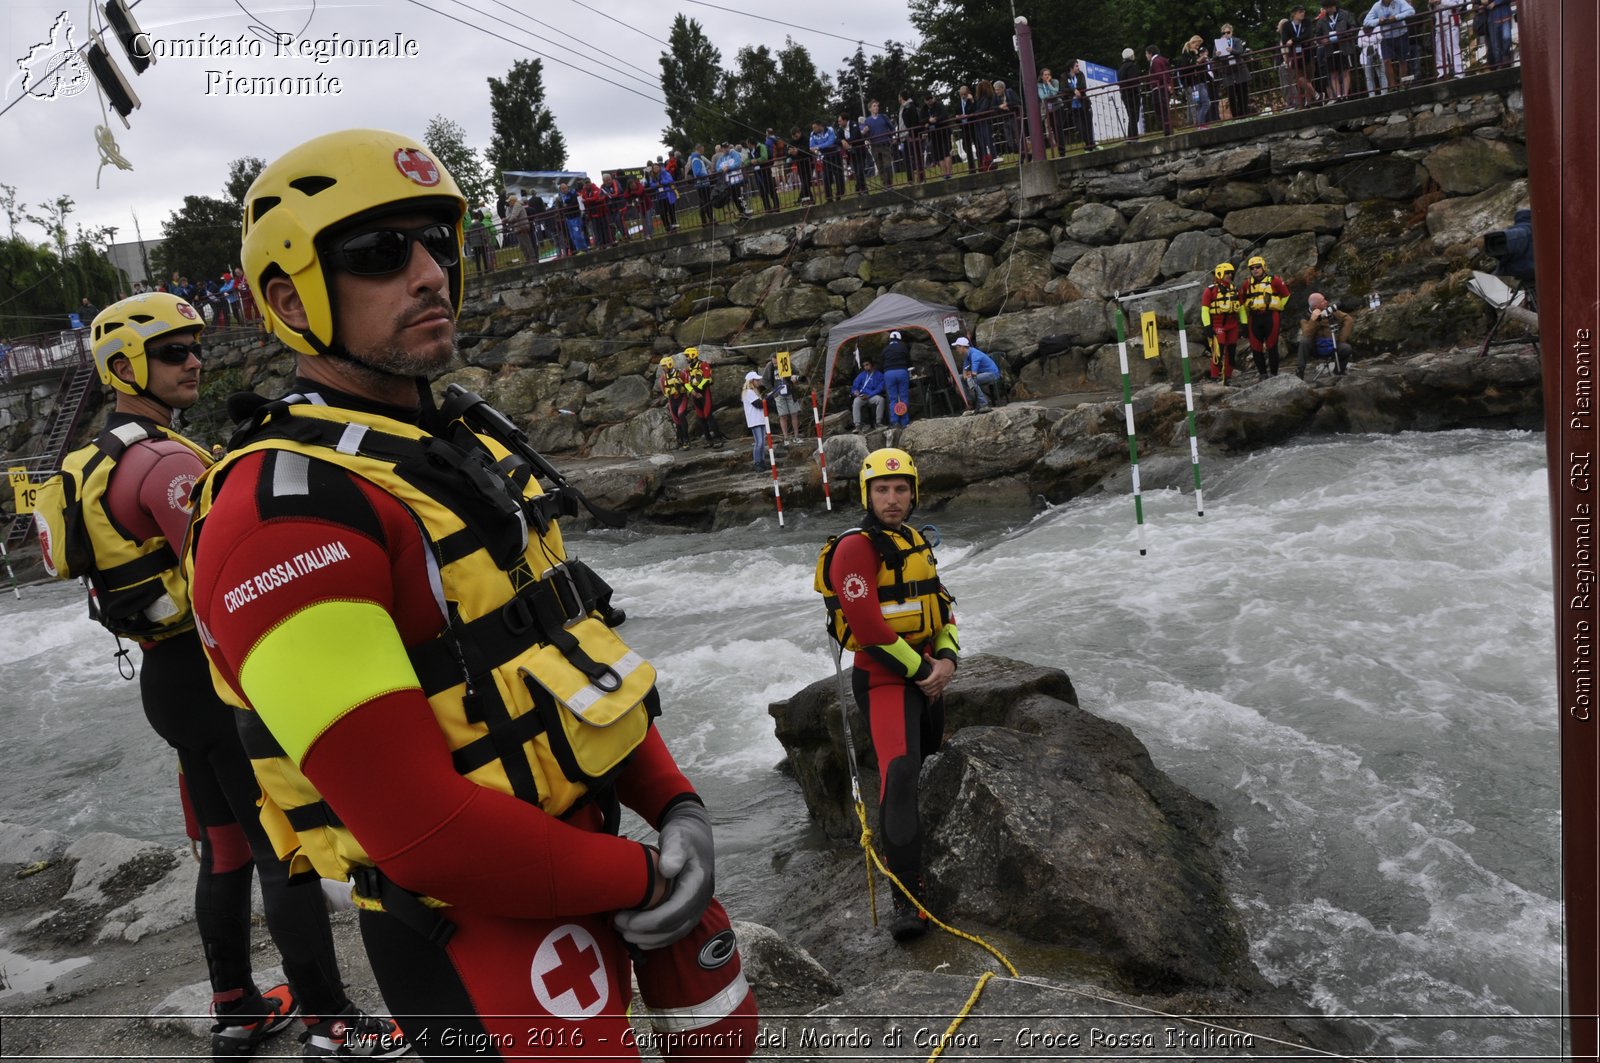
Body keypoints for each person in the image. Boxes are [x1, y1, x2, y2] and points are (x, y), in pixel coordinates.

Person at [187, 129, 757, 1059]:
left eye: (437, 244)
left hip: (595, 850)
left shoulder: (458, 448)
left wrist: (678, 804)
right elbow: (422, 832)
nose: (428, 273)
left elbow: (560, 650)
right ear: (288, 298)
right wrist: (644, 872)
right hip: (471, 924)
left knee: (726, 1034)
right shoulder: (281, 523)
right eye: (379, 253)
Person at [39, 292, 402, 1059]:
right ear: (125, 366)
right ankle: (330, 1020)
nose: (193, 361)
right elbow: (225, 577)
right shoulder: (168, 461)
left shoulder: (96, 458)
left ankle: (235, 1005)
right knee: (286, 848)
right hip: (215, 679)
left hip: (165, 681)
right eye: (173, 351)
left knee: (224, 847)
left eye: (195, 346)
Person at [815, 447, 958, 942]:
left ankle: (919, 852)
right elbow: (868, 626)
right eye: (882, 490)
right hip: (885, 679)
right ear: (867, 494)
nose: (892, 499)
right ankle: (908, 899)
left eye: (900, 490)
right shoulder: (854, 549)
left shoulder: (915, 540)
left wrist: (948, 661)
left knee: (925, 764)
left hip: (927, 675)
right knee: (898, 776)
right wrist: (925, 671)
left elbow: (942, 607)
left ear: (913, 494)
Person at [1240, 254, 1291, 379]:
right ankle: (1263, 374)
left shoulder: (1274, 281)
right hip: (1254, 318)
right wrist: (1244, 323)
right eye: (1252, 268)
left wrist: (1280, 308)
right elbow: (1241, 304)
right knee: (1256, 348)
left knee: (1272, 346)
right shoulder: (1246, 284)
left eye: (1257, 267)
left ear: (1263, 267)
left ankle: (1274, 373)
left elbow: (1286, 295)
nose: (1255, 270)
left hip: (1271, 316)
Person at [1200, 262, 1244, 384]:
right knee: (1217, 352)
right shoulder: (1210, 290)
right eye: (1227, 273)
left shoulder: (1235, 290)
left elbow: (1241, 308)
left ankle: (1227, 379)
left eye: (1231, 273)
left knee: (1231, 352)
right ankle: (1215, 378)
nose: (1229, 275)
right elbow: (1204, 310)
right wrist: (1207, 326)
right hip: (1218, 325)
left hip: (1233, 325)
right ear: (1220, 274)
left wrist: (1244, 324)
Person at [1296, 292, 1354, 377]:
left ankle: (1338, 372)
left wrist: (1342, 339)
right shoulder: (1305, 317)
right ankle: (1300, 372)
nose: (1326, 302)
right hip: (1316, 348)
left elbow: (1348, 319)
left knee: (1346, 348)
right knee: (1304, 342)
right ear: (1316, 307)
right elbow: (1307, 334)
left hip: (1333, 345)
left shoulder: (1329, 310)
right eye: (1323, 301)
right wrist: (1313, 320)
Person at [1364, 0, 1416, 92]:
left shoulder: (1399, 2)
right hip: (1386, 37)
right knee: (1386, 60)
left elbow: (1411, 11)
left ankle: (1402, 84)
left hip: (1401, 34)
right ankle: (1392, 85)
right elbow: (1366, 22)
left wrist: (1396, 17)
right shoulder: (1377, 6)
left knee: (1403, 59)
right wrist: (1378, 21)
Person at [1315, 0, 1361, 101]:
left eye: (1330, 7)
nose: (1328, 9)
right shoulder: (1321, 20)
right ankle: (1338, 95)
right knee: (1333, 73)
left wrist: (1342, 34)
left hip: (1344, 46)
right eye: (1326, 7)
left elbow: (1353, 27)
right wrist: (1322, 40)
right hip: (1330, 49)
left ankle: (1345, 94)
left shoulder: (1345, 14)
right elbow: (1317, 37)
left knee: (1345, 70)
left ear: (1335, 5)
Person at [684, 345, 726, 448]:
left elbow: (707, 378)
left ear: (693, 355)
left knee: (708, 415)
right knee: (701, 417)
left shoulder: (703, 365)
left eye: (687, 356)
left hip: (704, 393)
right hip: (694, 394)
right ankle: (708, 440)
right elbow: (686, 383)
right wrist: (692, 391)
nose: (686, 358)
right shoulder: (688, 369)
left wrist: (697, 390)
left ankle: (718, 438)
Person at [1216, 24, 1252, 119]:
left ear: (1231, 32)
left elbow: (1240, 51)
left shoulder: (1236, 40)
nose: (1226, 34)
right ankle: (1236, 116)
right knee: (1231, 96)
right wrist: (1217, 55)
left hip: (1239, 69)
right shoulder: (1218, 43)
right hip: (1228, 71)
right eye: (1224, 33)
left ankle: (1244, 114)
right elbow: (1214, 58)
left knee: (1242, 93)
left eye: (1228, 32)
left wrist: (1231, 50)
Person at [954, 337, 999, 413]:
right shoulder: (968, 354)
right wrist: (965, 375)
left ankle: (984, 405)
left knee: (971, 380)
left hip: (992, 374)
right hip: (982, 374)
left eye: (957, 347)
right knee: (959, 377)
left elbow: (974, 373)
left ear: (962, 347)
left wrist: (968, 375)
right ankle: (970, 402)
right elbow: (965, 369)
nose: (956, 350)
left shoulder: (974, 354)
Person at [880, 329, 912, 428]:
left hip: (888, 373)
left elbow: (881, 363)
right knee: (903, 397)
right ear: (899, 339)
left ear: (890, 339)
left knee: (893, 398)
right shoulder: (903, 347)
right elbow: (909, 361)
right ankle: (905, 422)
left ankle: (895, 422)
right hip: (901, 372)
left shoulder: (885, 349)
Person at [659, 354, 692, 450]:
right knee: (676, 420)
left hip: (681, 398)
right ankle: (680, 439)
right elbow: (664, 390)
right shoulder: (663, 378)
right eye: (662, 366)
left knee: (681, 414)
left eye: (664, 366)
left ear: (669, 364)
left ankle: (686, 440)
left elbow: (687, 384)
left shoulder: (680, 374)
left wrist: (683, 390)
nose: (663, 368)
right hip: (672, 400)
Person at [769, 360, 805, 444]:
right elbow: (765, 380)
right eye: (773, 363)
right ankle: (786, 438)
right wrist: (773, 391)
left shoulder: (787, 363)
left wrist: (794, 379)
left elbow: (797, 374)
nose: (774, 364)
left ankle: (796, 436)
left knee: (794, 414)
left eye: (776, 362)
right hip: (779, 394)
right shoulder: (769, 367)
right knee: (782, 416)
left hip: (790, 393)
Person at [864, 100, 896, 190]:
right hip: (874, 146)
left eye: (877, 106)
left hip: (885, 144)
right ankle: (885, 184)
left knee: (887, 165)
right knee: (880, 166)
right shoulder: (867, 121)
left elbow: (892, 127)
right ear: (870, 109)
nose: (876, 107)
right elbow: (866, 135)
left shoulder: (883, 117)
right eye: (874, 106)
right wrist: (865, 132)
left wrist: (892, 137)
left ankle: (890, 183)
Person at [742, 370, 769, 472]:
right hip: (755, 420)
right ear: (751, 381)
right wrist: (767, 399)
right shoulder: (748, 392)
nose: (759, 382)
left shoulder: (754, 392)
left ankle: (762, 462)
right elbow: (758, 404)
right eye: (757, 380)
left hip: (760, 419)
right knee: (759, 442)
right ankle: (757, 462)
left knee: (762, 442)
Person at [850, 357, 886, 431]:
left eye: (867, 365)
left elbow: (879, 389)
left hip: (872, 396)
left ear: (872, 364)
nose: (866, 367)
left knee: (881, 400)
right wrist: (855, 392)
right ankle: (858, 426)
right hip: (862, 396)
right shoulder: (861, 375)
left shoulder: (879, 375)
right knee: (856, 401)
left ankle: (878, 423)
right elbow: (854, 387)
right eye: (864, 366)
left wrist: (869, 395)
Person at [1146, 45, 1174, 136]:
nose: (1146, 56)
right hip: (1163, 87)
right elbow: (1166, 74)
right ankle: (1168, 128)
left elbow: (1159, 75)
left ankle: (1167, 130)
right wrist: (1169, 84)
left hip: (1158, 88)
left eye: (1146, 54)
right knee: (1164, 109)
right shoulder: (1161, 60)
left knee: (1160, 109)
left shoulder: (1155, 62)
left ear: (1150, 53)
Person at [1117, 48, 1144, 140]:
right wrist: (1138, 90)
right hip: (1132, 94)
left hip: (1125, 94)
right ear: (1131, 56)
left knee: (1131, 115)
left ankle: (1132, 136)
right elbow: (1134, 81)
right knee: (1134, 116)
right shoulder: (1132, 66)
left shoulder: (1121, 68)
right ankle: (1133, 137)